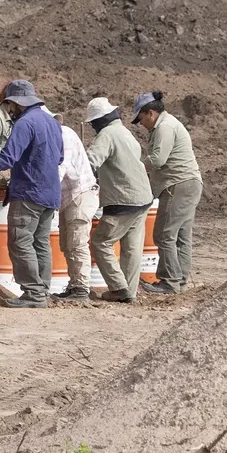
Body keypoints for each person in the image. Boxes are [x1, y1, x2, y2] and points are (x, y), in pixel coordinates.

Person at [0, 80, 63, 308]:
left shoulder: (25, 123)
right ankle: (42, 291)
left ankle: (33, 294)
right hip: (51, 192)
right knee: (40, 242)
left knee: (20, 241)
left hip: (29, 192)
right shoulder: (51, 122)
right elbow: (60, 157)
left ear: (15, 103)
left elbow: (8, 156)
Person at [133, 92, 203, 295]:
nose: (141, 124)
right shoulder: (167, 124)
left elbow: (157, 159)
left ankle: (169, 282)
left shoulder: (164, 127)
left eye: (141, 119)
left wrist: (133, 167)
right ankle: (178, 281)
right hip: (188, 184)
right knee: (181, 236)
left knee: (164, 234)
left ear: (151, 113)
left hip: (178, 185)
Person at [85, 97, 154, 303]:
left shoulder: (107, 134)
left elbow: (91, 161)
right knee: (132, 248)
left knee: (101, 241)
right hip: (143, 196)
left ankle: (118, 288)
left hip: (123, 199)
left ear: (99, 120)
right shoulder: (126, 133)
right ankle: (129, 293)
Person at [48, 108, 99, 303]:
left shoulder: (65, 135)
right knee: (68, 245)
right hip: (68, 197)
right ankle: (75, 285)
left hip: (80, 195)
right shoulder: (56, 136)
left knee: (77, 243)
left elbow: (61, 167)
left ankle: (81, 288)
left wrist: (47, 196)